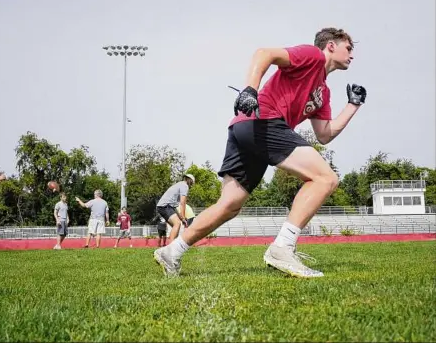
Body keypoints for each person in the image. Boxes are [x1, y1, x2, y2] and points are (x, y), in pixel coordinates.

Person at [154, 27, 366, 278]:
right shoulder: (313, 56)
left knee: (229, 205)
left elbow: (324, 134)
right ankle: (282, 248)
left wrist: (353, 105)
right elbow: (264, 54)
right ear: (331, 45)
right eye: (349, 48)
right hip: (262, 121)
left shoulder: (324, 93)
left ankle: (172, 252)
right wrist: (250, 89)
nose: (352, 55)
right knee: (325, 178)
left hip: (245, 130)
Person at [156, 174, 195, 242]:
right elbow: (183, 203)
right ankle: (171, 247)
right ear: (189, 180)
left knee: (176, 226)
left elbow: (174, 208)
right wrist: (183, 217)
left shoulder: (179, 184)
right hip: (165, 206)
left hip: (163, 207)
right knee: (177, 223)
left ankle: (175, 244)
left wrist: (181, 218)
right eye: (191, 183)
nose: (191, 185)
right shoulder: (185, 186)